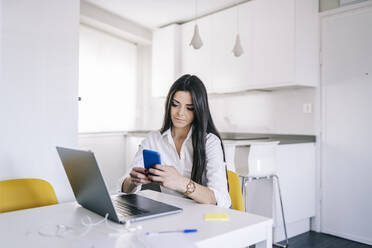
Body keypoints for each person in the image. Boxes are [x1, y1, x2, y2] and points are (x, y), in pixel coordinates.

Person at [120, 74, 231, 208]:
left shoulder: (210, 142)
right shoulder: (153, 139)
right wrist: (133, 181)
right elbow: (123, 187)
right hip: (174, 212)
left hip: (205, 216)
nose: (180, 113)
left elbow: (222, 200)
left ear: (199, 110)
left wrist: (181, 182)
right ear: (169, 105)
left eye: (189, 108)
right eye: (175, 105)